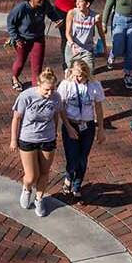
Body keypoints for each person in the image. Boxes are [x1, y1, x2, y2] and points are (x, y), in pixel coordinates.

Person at [11, 67, 70, 218]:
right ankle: (26, 188)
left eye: (52, 89)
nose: (49, 93)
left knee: (44, 173)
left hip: (47, 139)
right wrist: (13, 139)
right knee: (31, 175)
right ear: (39, 85)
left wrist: (55, 132)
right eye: (46, 90)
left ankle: (39, 198)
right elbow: (16, 118)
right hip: (28, 139)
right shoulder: (26, 96)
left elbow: (56, 114)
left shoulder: (56, 97)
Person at [57, 58, 105, 201]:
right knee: (72, 156)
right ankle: (69, 176)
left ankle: (77, 184)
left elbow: (99, 108)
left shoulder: (95, 85)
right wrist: (68, 126)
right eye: (76, 75)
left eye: (81, 76)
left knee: (83, 157)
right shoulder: (66, 85)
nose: (78, 79)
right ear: (71, 72)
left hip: (87, 126)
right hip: (71, 124)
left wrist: (100, 129)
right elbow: (61, 108)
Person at [6, 0, 61, 90]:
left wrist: (57, 19)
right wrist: (16, 38)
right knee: (21, 61)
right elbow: (10, 23)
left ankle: (36, 87)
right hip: (22, 39)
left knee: (37, 64)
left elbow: (51, 12)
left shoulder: (45, 3)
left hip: (38, 37)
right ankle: (14, 78)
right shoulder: (21, 8)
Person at [63, 0, 106, 70]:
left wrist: (105, 47)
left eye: (80, 2)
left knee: (89, 72)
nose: (77, 4)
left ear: (87, 4)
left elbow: (101, 33)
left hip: (87, 50)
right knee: (73, 73)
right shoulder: (72, 13)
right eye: (76, 2)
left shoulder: (96, 16)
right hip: (72, 49)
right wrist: (72, 45)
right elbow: (67, 33)